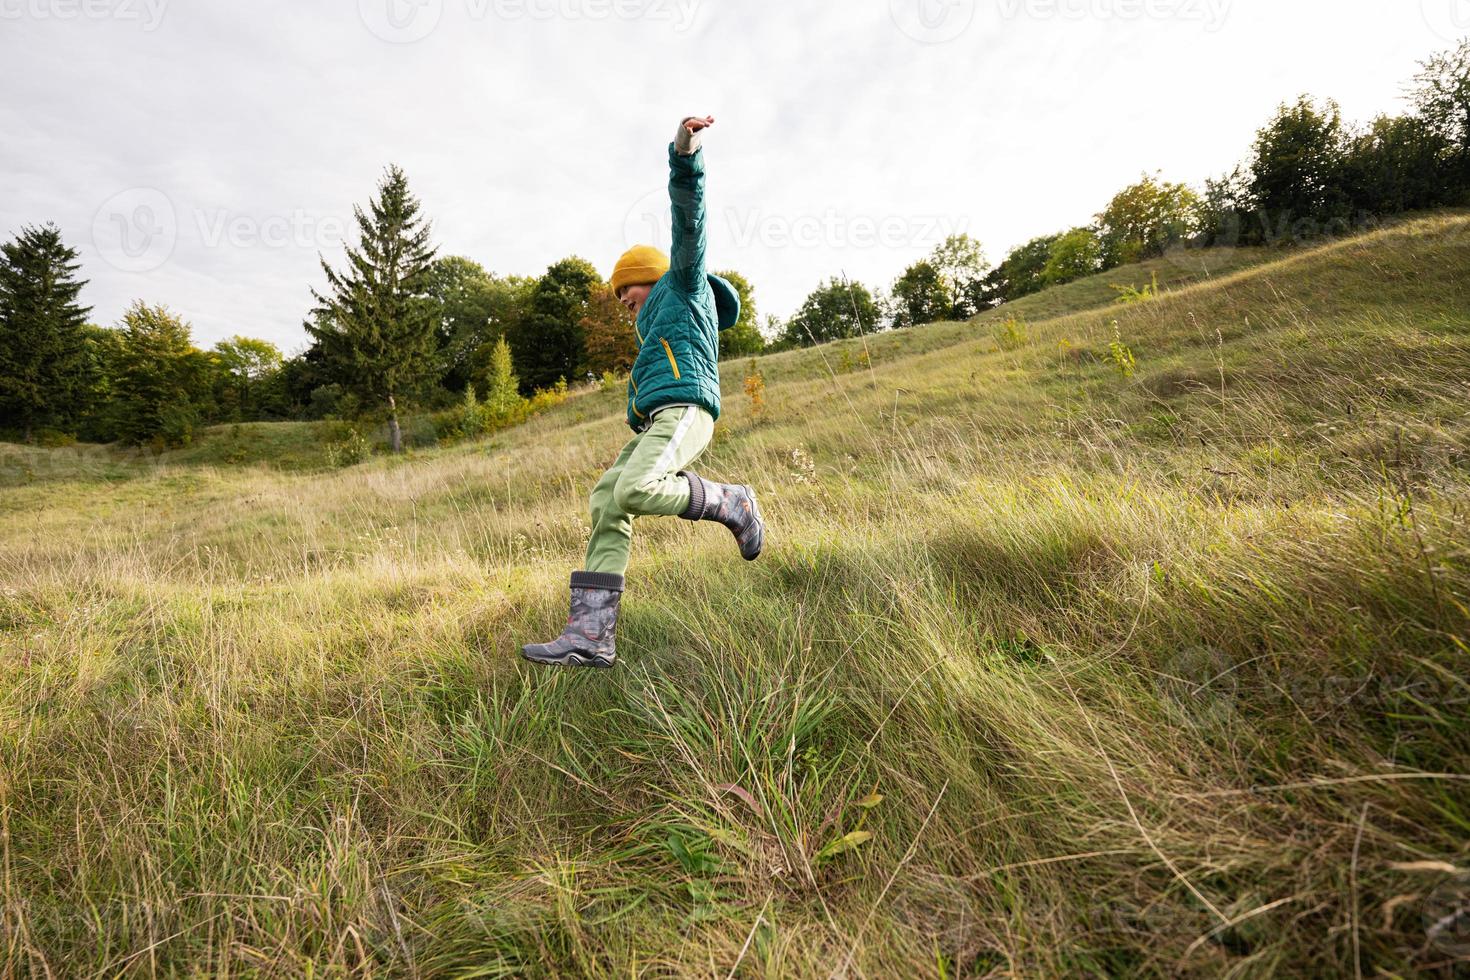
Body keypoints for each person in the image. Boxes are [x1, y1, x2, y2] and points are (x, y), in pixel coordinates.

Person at [520, 114, 765, 669]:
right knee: (608, 498)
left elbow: (689, 222)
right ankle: (590, 637)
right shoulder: (651, 325)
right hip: (661, 417)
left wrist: (685, 155)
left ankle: (733, 501)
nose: (620, 300)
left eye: (623, 288)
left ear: (649, 276)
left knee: (633, 489)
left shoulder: (682, 284)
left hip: (687, 408)